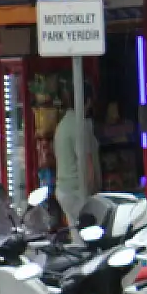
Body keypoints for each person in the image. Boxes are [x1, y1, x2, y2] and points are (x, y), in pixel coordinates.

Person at [54, 95, 100, 226]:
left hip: (63, 189)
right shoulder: (79, 126)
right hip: (76, 192)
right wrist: (92, 192)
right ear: (88, 102)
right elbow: (87, 162)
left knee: (77, 235)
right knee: (90, 232)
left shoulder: (62, 124)